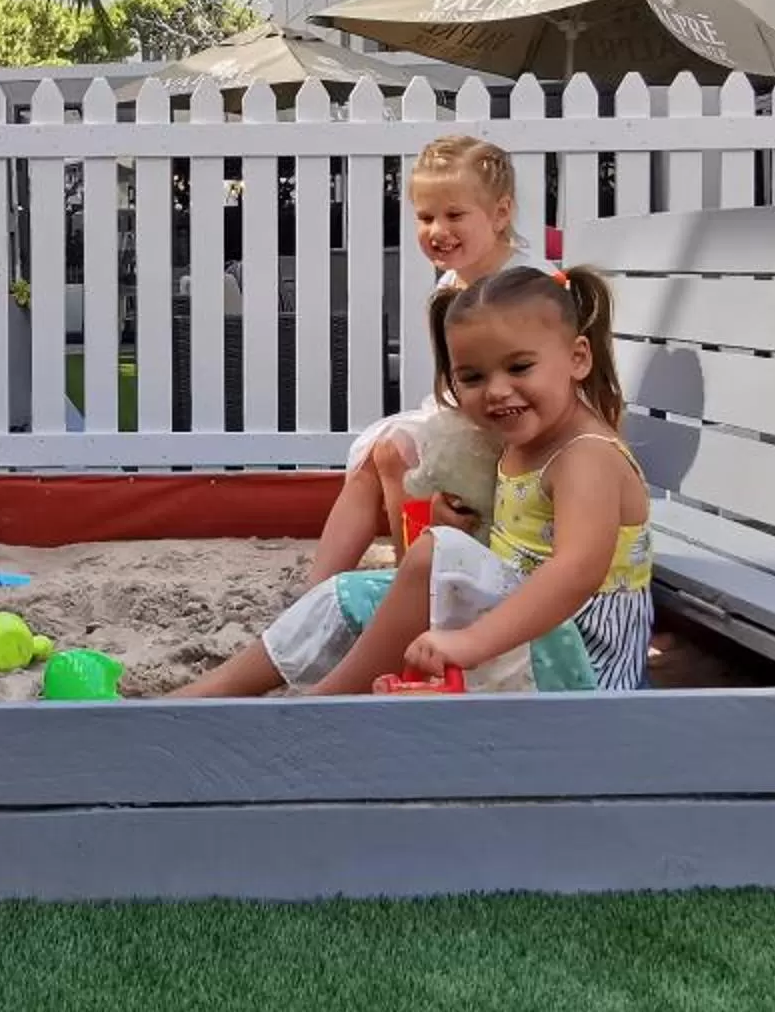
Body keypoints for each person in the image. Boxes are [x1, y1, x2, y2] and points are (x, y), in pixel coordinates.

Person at [173, 265, 653, 697]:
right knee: (349, 593)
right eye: (472, 376)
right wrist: (460, 524)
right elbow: (519, 545)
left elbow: (574, 573)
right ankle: (207, 695)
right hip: (530, 634)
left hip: (587, 672)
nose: (498, 390)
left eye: (519, 367)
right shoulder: (523, 440)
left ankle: (325, 706)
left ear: (578, 359)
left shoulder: (585, 457)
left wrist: (470, 640)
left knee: (430, 555)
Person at [306, 135, 543, 582]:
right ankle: (317, 590)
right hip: (469, 419)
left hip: (514, 432)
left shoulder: (524, 288)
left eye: (454, 215)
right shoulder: (452, 284)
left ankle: (415, 576)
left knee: (395, 452)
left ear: (500, 214)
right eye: (425, 216)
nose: (438, 230)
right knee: (376, 455)